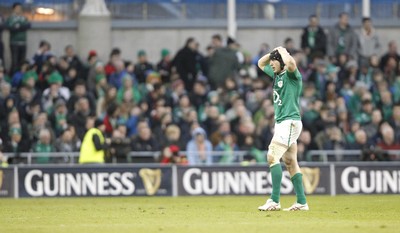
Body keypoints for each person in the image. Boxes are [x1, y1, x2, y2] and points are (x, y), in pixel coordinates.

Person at [257, 46, 309, 211]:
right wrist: (274, 52)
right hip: (282, 123)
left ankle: (274, 200)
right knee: (290, 161)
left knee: (272, 156)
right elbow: (260, 63)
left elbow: (291, 63)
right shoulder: (276, 75)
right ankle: (301, 202)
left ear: (281, 62)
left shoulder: (292, 76)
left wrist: (283, 52)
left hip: (289, 122)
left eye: (274, 62)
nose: (271, 64)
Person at [6, 2, 31, 73]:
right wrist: (20, 27)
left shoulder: (24, 18)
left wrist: (18, 26)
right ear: (13, 9)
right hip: (14, 42)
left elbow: (27, 26)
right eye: (17, 8)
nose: (19, 10)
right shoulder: (11, 18)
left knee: (22, 62)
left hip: (23, 42)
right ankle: (14, 78)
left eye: (20, 8)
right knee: (15, 62)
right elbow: (10, 27)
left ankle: (20, 77)